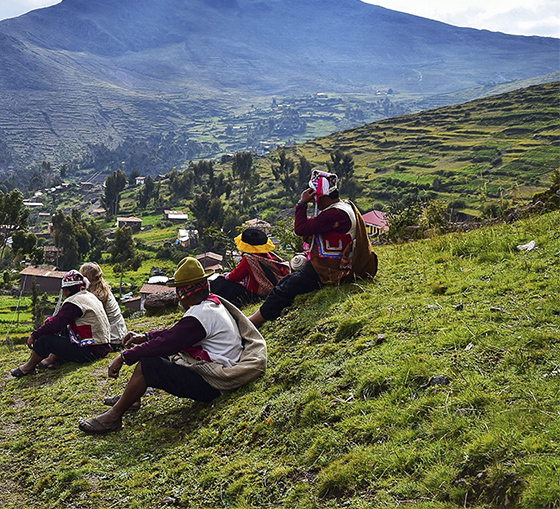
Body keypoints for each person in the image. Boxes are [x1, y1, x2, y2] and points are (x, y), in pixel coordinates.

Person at [77, 257, 267, 433]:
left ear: (184, 292)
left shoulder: (200, 316)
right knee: (158, 354)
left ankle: (114, 417)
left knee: (148, 364)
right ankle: (131, 398)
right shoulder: (211, 305)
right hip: (219, 367)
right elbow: (175, 335)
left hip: (214, 383)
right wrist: (146, 336)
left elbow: (169, 342)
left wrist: (124, 357)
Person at [248, 169, 378, 327]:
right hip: (333, 263)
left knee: (285, 288)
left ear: (321, 196)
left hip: (331, 269)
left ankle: (254, 322)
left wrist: (301, 203)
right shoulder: (343, 206)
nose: (314, 200)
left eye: (315, 196)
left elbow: (300, 229)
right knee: (287, 281)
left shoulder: (334, 214)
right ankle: (261, 315)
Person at [11, 270, 112, 377]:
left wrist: (34, 335)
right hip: (101, 347)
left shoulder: (74, 302)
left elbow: (55, 325)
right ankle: (53, 359)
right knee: (65, 328)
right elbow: (62, 319)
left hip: (90, 351)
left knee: (44, 340)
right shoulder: (89, 296)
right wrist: (51, 321)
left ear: (66, 290)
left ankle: (28, 367)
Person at [39, 262, 128, 370]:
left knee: (67, 325)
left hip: (110, 339)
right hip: (119, 334)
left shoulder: (94, 296)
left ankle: (52, 357)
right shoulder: (102, 289)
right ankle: (53, 357)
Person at [210, 228, 289, 308]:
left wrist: (225, 276)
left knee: (220, 283)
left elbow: (235, 276)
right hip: (271, 288)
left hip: (257, 294)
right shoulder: (268, 255)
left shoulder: (248, 259)